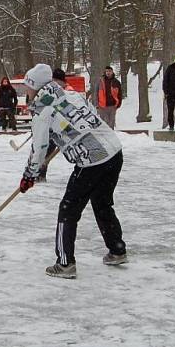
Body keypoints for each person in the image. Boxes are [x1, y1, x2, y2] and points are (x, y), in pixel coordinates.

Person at [19, 63, 126, 279]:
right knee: (102, 203)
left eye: (27, 88)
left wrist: (28, 175)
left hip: (92, 161)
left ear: (36, 87)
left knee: (68, 210)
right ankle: (117, 250)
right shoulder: (70, 94)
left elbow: (39, 148)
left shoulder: (42, 109)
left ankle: (65, 263)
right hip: (114, 152)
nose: (26, 93)